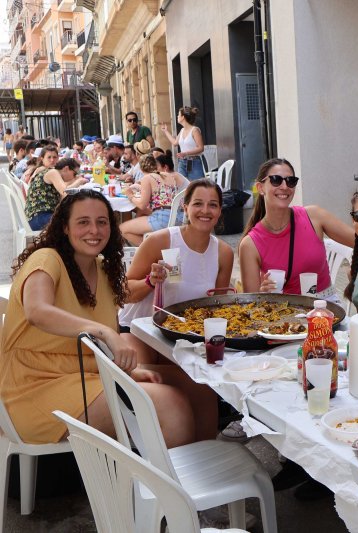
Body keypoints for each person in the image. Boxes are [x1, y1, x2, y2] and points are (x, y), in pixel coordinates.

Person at [0, 189, 198, 447]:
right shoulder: (46, 258)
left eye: (102, 222)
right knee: (170, 404)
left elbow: (103, 344)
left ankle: (199, 472)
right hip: (36, 389)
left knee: (193, 382)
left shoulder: (101, 269)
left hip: (86, 374)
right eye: (83, 222)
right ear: (64, 228)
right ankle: (154, 486)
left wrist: (131, 370)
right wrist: (104, 332)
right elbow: (37, 311)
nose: (94, 230)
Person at [119, 179, 233, 367]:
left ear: (220, 211)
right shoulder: (162, 241)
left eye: (212, 205)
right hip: (139, 328)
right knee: (149, 378)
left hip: (183, 335)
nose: (205, 210)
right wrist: (150, 281)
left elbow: (217, 308)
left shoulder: (224, 253)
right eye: (198, 204)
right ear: (185, 207)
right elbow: (123, 293)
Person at [239, 157, 354, 300]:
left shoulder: (314, 216)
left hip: (324, 309)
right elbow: (251, 304)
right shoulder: (250, 244)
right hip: (283, 313)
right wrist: (263, 293)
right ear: (260, 188)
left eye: (290, 181)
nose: (284, 186)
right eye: (276, 180)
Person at [119, 154, 188, 245]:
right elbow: (161, 194)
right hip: (178, 216)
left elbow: (142, 205)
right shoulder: (168, 176)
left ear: (141, 169)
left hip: (162, 218)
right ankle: (155, 248)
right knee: (140, 215)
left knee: (122, 229)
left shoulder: (147, 178)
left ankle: (152, 251)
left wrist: (130, 195)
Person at [24, 150, 87, 230]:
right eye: (75, 174)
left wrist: (73, 181)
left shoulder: (51, 172)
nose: (75, 176)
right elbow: (65, 192)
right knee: (77, 223)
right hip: (40, 218)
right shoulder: (53, 172)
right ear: (66, 168)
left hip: (37, 217)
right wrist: (79, 181)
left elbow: (62, 198)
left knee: (76, 219)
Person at [160, 106, 205, 180]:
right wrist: (165, 131)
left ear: (183, 117)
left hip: (194, 161)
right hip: (182, 162)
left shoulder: (195, 130)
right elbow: (175, 143)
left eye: (178, 115)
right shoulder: (182, 130)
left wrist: (185, 153)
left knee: (195, 185)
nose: (177, 116)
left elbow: (200, 148)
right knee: (181, 185)